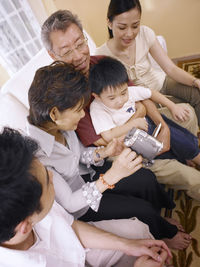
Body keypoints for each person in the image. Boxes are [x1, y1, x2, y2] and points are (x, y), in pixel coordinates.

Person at [26, 61, 191, 250]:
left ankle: (159, 218)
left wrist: (104, 152)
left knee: (145, 178)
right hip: (83, 204)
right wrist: (112, 176)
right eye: (78, 109)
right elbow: (71, 203)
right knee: (140, 209)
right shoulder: (36, 156)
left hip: (91, 174)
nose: (82, 115)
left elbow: (80, 156)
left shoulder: (60, 126)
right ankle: (164, 233)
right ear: (55, 113)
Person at [41, 9, 200, 201]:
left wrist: (163, 126)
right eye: (66, 51)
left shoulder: (102, 63)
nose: (78, 55)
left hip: (140, 123)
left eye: (80, 43)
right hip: (120, 146)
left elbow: (139, 97)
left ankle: (181, 154)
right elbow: (102, 140)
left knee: (188, 114)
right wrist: (137, 118)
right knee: (188, 176)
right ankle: (178, 164)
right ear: (52, 55)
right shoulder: (66, 93)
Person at [0, 126, 173, 267]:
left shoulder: (26, 208)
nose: (52, 176)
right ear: (25, 226)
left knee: (138, 230)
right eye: (47, 181)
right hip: (83, 210)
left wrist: (126, 245)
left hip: (79, 245)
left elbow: (69, 225)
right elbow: (71, 206)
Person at [95, 0, 200, 126]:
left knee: (196, 92)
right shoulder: (101, 56)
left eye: (135, 26)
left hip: (162, 83)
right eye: (122, 27)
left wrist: (195, 81)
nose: (130, 34)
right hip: (144, 100)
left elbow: (170, 69)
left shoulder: (145, 33)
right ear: (109, 23)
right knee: (188, 112)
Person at [89, 56, 200, 167]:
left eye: (123, 93)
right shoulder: (97, 109)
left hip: (149, 122)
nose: (120, 101)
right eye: (112, 98)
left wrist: (172, 106)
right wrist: (134, 123)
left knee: (182, 139)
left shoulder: (129, 91)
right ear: (97, 96)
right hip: (134, 139)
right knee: (167, 152)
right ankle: (186, 159)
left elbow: (151, 93)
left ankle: (192, 155)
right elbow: (108, 136)